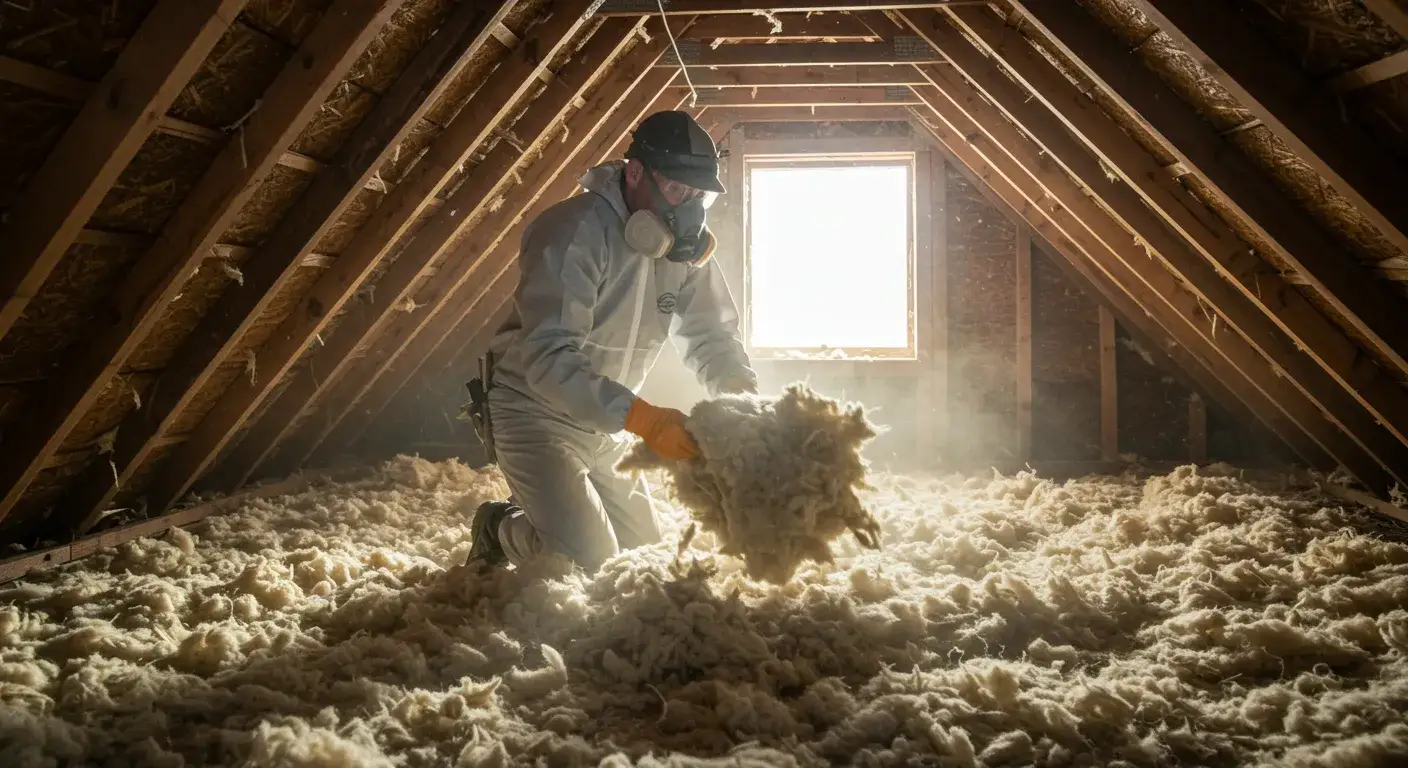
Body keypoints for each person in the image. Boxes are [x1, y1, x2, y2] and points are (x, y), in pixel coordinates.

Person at [464, 110, 757, 573]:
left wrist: (745, 404)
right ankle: (500, 528)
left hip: (608, 420)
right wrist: (646, 420)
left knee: (644, 560)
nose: (689, 209)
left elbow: (712, 336)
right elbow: (548, 356)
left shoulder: (683, 248)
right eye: (679, 190)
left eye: (699, 196)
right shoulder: (573, 231)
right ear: (635, 172)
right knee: (587, 565)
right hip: (535, 413)